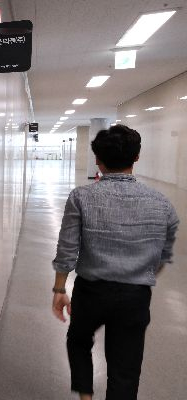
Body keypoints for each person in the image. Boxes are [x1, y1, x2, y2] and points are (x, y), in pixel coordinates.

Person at [51, 125, 179, 400]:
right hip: (135, 296)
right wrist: (137, 274)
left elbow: (67, 250)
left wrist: (59, 289)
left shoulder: (81, 197)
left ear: (97, 159)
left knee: (78, 342)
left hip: (91, 292)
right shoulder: (162, 204)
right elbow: (162, 256)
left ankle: (86, 397)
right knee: (126, 366)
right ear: (137, 157)